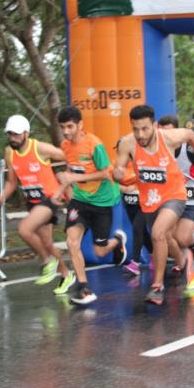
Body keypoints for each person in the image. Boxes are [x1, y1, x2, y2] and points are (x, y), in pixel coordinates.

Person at [113, 105, 194, 305]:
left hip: (174, 195)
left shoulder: (168, 137)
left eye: (145, 128)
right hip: (149, 199)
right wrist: (118, 173)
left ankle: (157, 286)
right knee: (168, 239)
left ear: (154, 125)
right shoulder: (127, 143)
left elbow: (191, 134)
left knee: (157, 233)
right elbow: (118, 167)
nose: (140, 134)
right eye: (136, 129)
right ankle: (186, 264)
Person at [0, 115, 75, 294]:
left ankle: (47, 261)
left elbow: (70, 156)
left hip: (50, 199)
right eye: (10, 134)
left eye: (16, 134)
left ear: (26, 133)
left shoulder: (40, 148)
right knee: (47, 242)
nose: (12, 138)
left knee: (24, 229)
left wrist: (67, 180)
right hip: (32, 200)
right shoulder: (10, 152)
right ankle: (66, 274)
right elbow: (12, 182)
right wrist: (2, 196)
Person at [57, 106, 127, 305]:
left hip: (102, 203)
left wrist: (75, 177)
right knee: (72, 242)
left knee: (100, 251)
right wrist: (62, 186)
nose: (66, 131)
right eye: (63, 127)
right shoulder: (65, 145)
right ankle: (83, 288)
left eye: (70, 126)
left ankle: (116, 242)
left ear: (80, 124)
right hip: (80, 200)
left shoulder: (95, 145)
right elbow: (71, 166)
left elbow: (106, 173)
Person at [157, 115, 194, 290]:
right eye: (163, 131)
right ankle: (186, 266)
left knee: (182, 239)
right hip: (173, 198)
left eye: (169, 131)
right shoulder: (160, 149)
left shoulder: (191, 150)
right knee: (165, 236)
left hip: (192, 199)